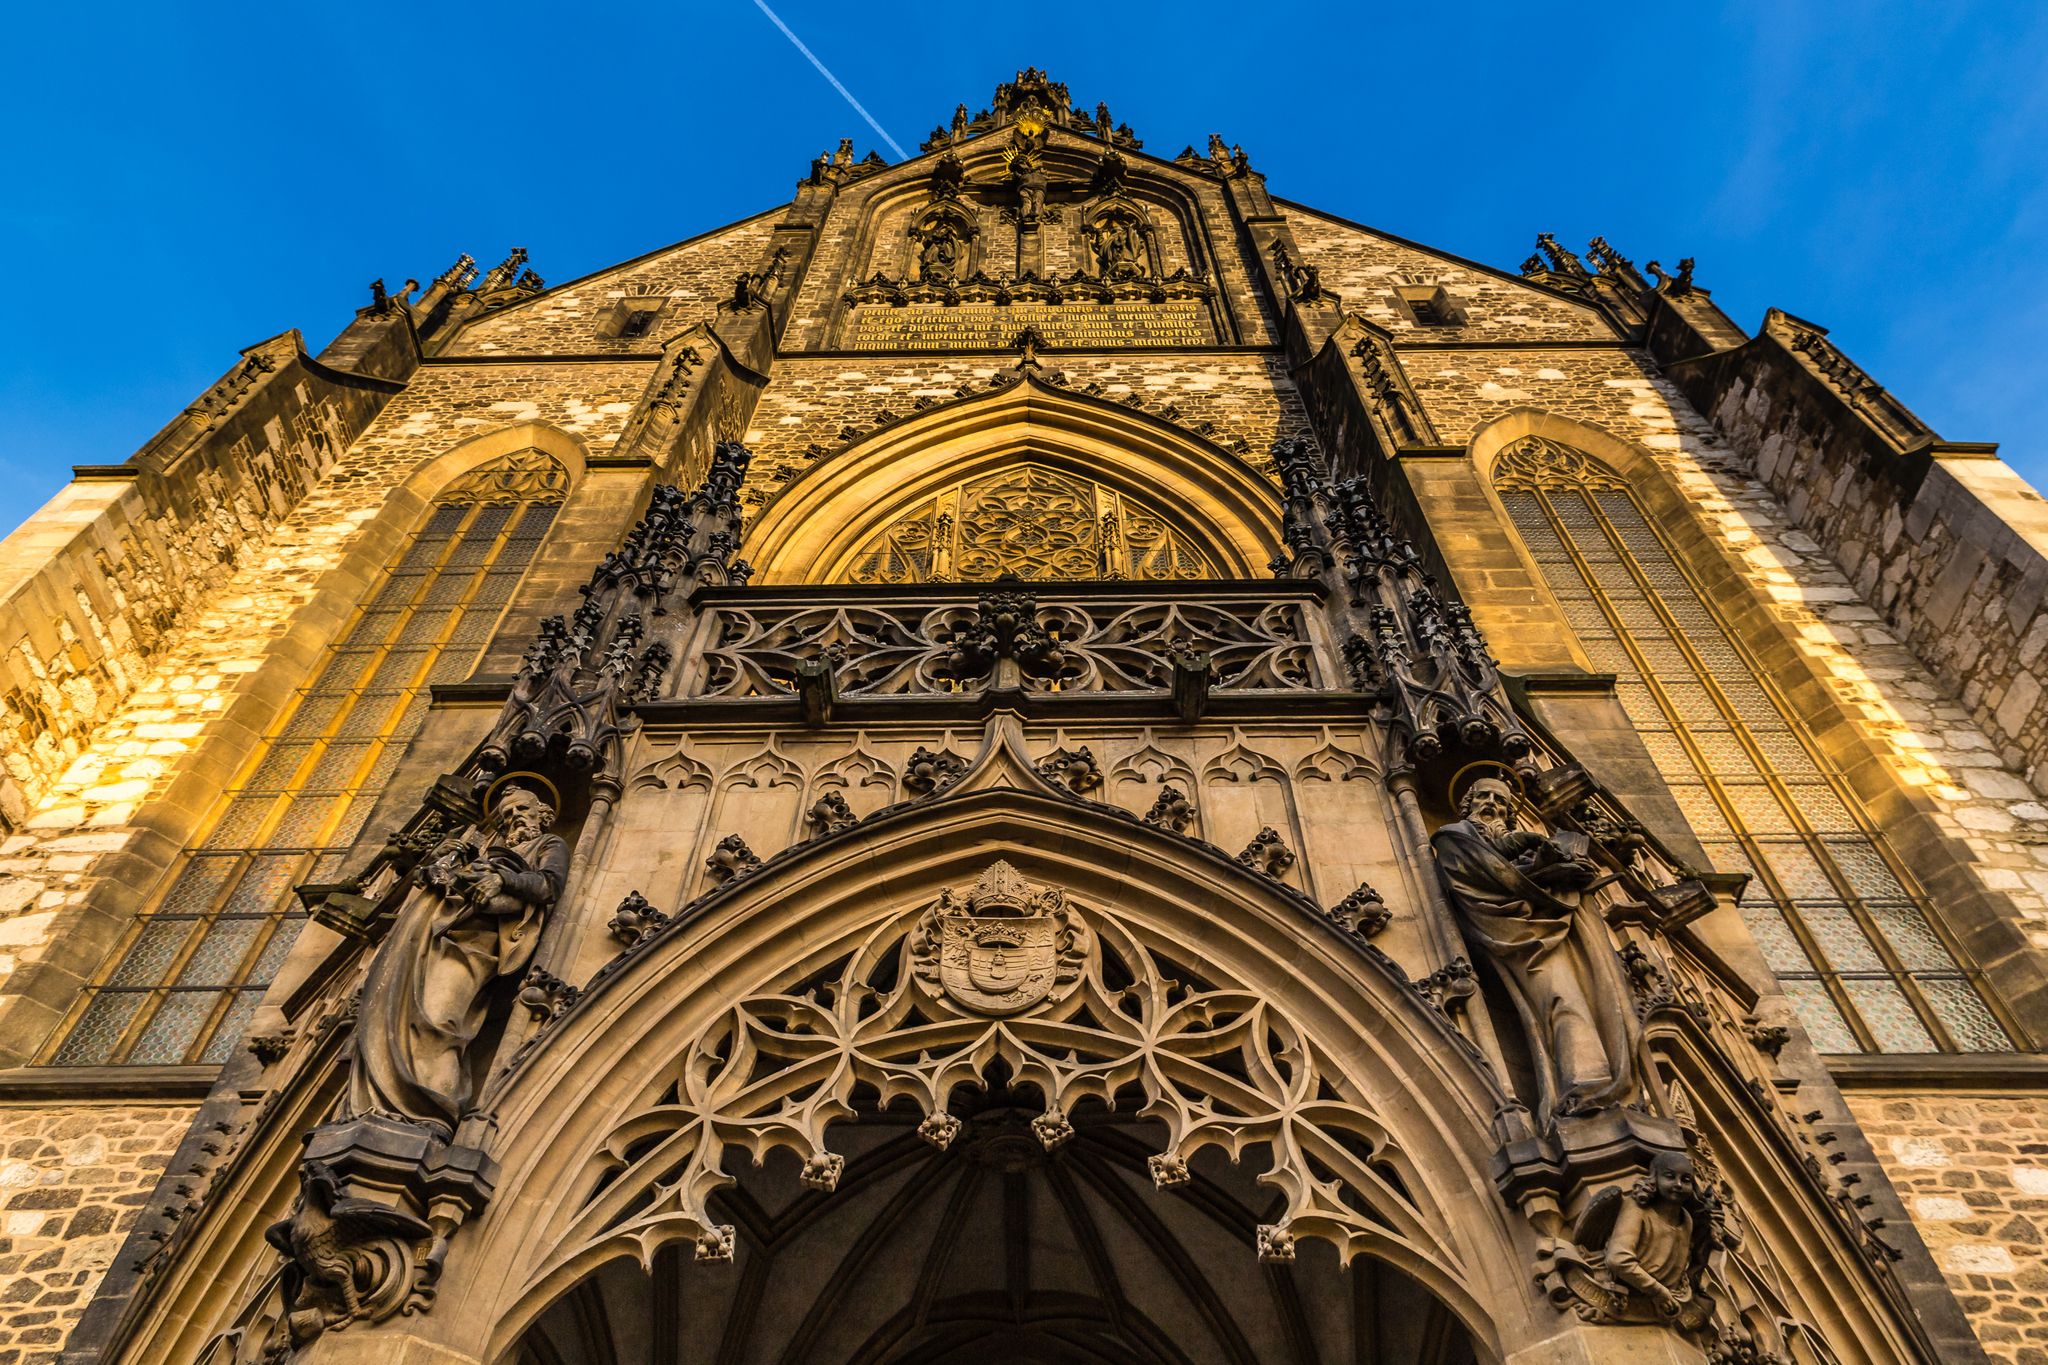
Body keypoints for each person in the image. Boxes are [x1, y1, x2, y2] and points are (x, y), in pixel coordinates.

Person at [346, 781, 569, 1131]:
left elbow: (547, 885)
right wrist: (441, 863)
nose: (513, 817)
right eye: (507, 814)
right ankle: (399, 1104)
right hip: (442, 938)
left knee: (441, 1021)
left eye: (521, 810)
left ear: (543, 813)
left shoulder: (548, 843)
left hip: (478, 945)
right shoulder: (482, 851)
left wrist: (503, 881)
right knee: (409, 1017)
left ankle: (430, 1112)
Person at [1432, 776, 1639, 1120]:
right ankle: (1583, 1083)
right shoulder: (1454, 837)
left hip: (1550, 928)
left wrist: (1561, 870)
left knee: (1579, 999)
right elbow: (1484, 875)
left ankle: (1588, 1082)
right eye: (1484, 797)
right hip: (1516, 935)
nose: (1492, 805)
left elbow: (1517, 873)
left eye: (1500, 802)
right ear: (1468, 803)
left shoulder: (1520, 846)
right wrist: (1532, 862)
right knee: (1559, 1000)